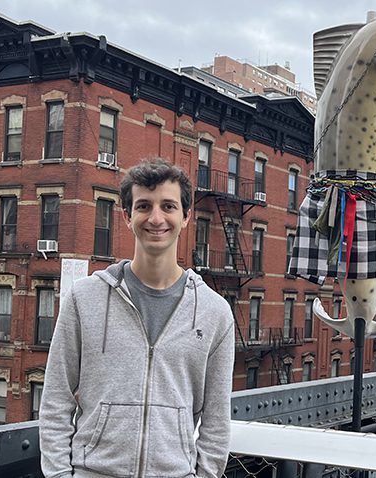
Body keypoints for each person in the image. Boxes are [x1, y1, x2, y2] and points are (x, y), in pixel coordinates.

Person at [40, 158, 234, 478]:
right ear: (127, 216)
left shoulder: (215, 312)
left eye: (168, 206)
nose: (156, 218)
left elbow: (216, 421)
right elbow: (55, 401)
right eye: (144, 206)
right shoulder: (84, 298)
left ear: (186, 216)